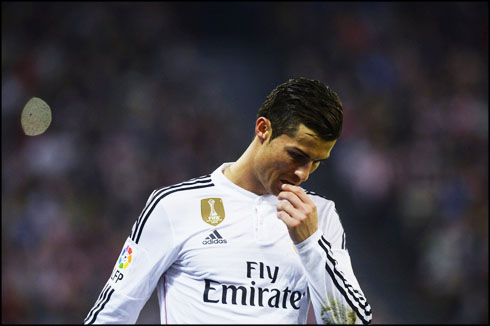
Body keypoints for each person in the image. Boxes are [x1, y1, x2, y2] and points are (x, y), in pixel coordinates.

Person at [84, 77, 372, 324]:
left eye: (316, 162)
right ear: (263, 129)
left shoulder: (320, 216)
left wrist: (310, 245)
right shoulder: (174, 206)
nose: (303, 173)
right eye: (296, 155)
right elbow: (110, 314)